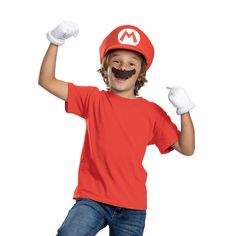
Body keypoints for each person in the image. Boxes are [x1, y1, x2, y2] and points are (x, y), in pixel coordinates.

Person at [38, 21, 195, 236]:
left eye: (132, 63)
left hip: (132, 206)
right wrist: (55, 42)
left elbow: (187, 148)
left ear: (141, 72)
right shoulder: (93, 99)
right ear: (106, 67)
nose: (123, 67)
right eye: (117, 61)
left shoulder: (152, 112)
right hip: (93, 199)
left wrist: (185, 110)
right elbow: (47, 81)